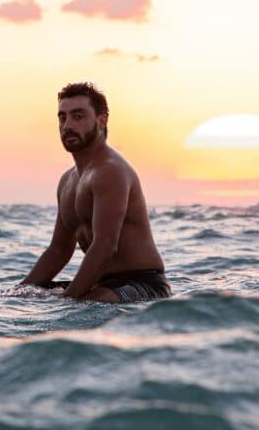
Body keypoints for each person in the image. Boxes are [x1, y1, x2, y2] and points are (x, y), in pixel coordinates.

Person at [21, 82, 170, 302]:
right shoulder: (67, 181)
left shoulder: (110, 171)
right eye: (62, 118)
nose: (67, 125)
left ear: (102, 120)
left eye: (78, 116)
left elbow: (105, 247)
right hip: (101, 282)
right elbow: (59, 250)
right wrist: (15, 294)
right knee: (30, 295)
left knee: (90, 301)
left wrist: (67, 301)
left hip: (144, 284)